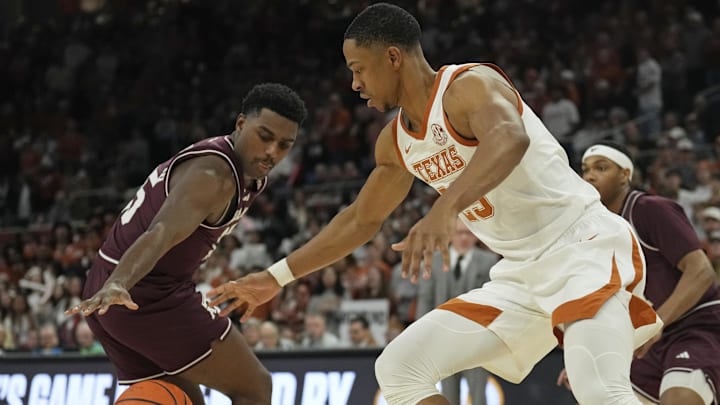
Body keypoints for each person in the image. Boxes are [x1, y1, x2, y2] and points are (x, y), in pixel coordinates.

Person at [207, 4, 662, 405]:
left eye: (359, 68)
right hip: (522, 276)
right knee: (399, 370)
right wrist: (274, 277)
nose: (354, 83)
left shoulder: (468, 86)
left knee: (601, 391)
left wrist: (444, 211)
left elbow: (510, 137)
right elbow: (361, 220)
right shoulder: (395, 142)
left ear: (392, 57)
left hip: (582, 247)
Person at [65, 83, 307, 405]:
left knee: (184, 400)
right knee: (255, 388)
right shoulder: (214, 175)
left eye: (284, 145)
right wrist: (120, 282)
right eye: (264, 137)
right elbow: (160, 231)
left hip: (109, 288)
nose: (272, 152)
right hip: (140, 292)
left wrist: (114, 283)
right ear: (240, 124)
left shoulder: (244, 168)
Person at [557, 142, 720, 405]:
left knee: (680, 399)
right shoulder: (591, 230)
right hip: (647, 340)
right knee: (599, 394)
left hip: (696, 326)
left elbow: (701, 271)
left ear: (625, 175)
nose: (589, 176)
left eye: (601, 167)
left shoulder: (650, 209)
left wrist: (657, 322)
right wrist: (589, 357)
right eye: (585, 169)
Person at [416, 219, 498, 405]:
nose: (463, 238)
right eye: (459, 232)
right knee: (448, 394)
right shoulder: (434, 261)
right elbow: (425, 299)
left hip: (476, 340)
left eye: (468, 233)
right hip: (443, 339)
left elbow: (494, 300)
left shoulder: (488, 261)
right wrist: (421, 335)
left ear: (476, 236)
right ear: (449, 234)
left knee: (478, 394)